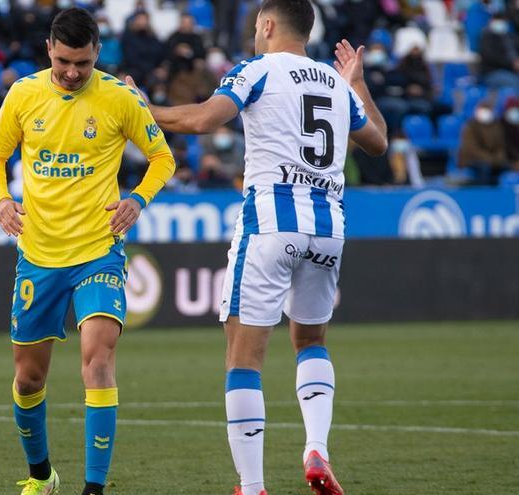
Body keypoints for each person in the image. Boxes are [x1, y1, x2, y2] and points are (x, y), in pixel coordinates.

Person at [126, 1, 387, 494]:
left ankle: (251, 486)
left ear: (266, 25)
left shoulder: (257, 70)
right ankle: (317, 448)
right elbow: (379, 142)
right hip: (329, 227)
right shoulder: (333, 83)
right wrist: (356, 79)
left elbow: (204, 120)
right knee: (311, 341)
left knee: (243, 359)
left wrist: (142, 106)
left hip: (271, 222)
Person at [0, 9, 176, 495]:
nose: (72, 72)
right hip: (39, 254)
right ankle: (42, 475)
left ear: (97, 55)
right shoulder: (24, 95)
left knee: (99, 359)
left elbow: (162, 157)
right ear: (49, 48)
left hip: (98, 252)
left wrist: (136, 199)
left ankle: (94, 489)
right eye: (65, 61)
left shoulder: (117, 97)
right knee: (27, 379)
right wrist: (2, 200)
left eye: (83, 63)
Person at [458, 101, 508, 185]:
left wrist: (498, 157)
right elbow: (471, 149)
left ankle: (500, 194)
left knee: (504, 167)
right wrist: (490, 159)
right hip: (471, 160)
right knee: (484, 168)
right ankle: (483, 194)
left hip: (492, 160)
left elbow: (501, 146)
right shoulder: (470, 126)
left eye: (488, 110)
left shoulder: (497, 126)